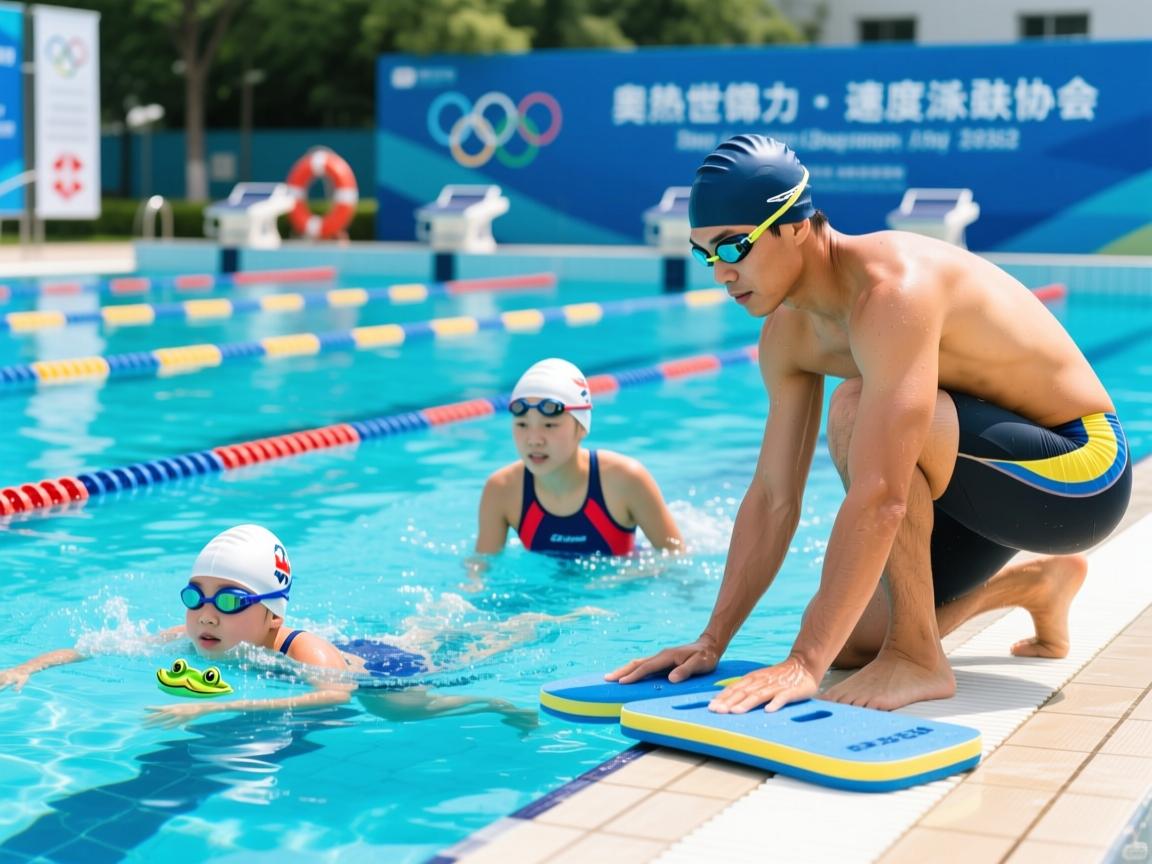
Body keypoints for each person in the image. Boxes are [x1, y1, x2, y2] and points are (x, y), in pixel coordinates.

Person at [608, 134, 1131, 713]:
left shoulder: (892, 292)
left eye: (732, 248)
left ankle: (917, 659)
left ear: (795, 224)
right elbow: (774, 497)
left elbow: (882, 494)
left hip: (1082, 470)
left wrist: (804, 662)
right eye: (704, 253)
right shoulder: (787, 334)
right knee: (854, 643)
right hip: (977, 476)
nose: (719, 272)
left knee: (859, 410)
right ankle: (1033, 583)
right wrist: (713, 640)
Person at [0, 524, 574, 729]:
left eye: (229, 601)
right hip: (352, 651)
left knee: (400, 707)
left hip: (380, 670)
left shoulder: (304, 650)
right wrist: (27, 667)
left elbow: (331, 700)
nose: (206, 613)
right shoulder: (200, 630)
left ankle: (501, 687)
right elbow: (102, 647)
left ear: (273, 613)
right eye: (195, 596)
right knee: (427, 627)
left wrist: (211, 708)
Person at [475, 357, 683, 564]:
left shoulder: (626, 480)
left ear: (581, 427)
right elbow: (481, 569)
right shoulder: (501, 490)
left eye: (549, 425)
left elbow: (676, 558)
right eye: (522, 425)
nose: (534, 440)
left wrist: (615, 581)